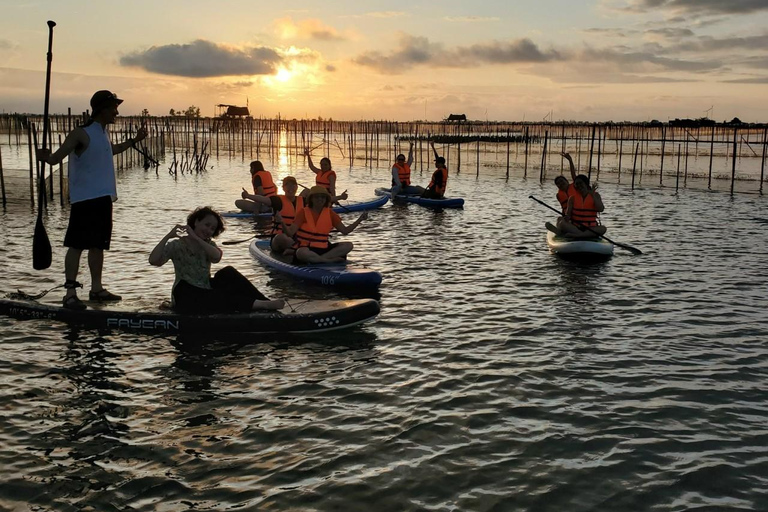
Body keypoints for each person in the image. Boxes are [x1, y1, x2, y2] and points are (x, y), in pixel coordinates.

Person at [37, 90, 147, 310]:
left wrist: (134, 141)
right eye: (113, 108)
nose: (117, 112)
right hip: (85, 199)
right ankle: (69, 293)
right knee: (77, 245)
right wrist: (45, 157)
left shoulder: (102, 133)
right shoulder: (81, 133)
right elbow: (56, 158)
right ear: (102, 110)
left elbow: (111, 151)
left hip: (104, 198)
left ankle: (96, 289)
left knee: (98, 246)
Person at [148, 206, 284, 314]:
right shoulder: (177, 245)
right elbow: (153, 261)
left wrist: (197, 239)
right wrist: (168, 236)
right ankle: (261, 305)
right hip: (185, 294)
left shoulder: (208, 245)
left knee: (227, 273)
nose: (208, 230)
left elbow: (217, 257)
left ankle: (264, 301)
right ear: (196, 222)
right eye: (206, 225)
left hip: (205, 289)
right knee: (218, 296)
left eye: (212, 229)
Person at [285, 186, 368, 264]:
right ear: (311, 199)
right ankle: (327, 261)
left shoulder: (330, 213)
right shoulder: (303, 212)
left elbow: (345, 231)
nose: (320, 199)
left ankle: (319, 259)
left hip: (324, 248)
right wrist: (281, 222)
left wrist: (360, 219)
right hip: (306, 248)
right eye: (317, 197)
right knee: (301, 252)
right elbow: (291, 232)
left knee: (348, 245)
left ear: (326, 199)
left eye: (323, 197)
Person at [238, 176, 304, 255]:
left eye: (293, 185)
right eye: (288, 185)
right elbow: (263, 199)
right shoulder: (278, 201)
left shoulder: (304, 201)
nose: (291, 188)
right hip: (279, 239)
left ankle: (297, 250)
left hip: (297, 237)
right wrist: (248, 196)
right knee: (282, 238)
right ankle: (296, 249)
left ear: (296, 187)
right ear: (283, 188)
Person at [558, 174, 606, 238]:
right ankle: (584, 235)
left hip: (591, 227)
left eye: (581, 183)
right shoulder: (572, 198)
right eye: (577, 184)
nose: (579, 186)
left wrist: (593, 195)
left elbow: (601, 209)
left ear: (586, 184)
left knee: (603, 228)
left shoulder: (596, 195)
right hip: (576, 227)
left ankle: (579, 236)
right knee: (562, 223)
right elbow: (568, 214)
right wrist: (567, 217)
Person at [547, 152, 579, 234]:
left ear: (567, 181)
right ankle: (560, 231)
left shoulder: (575, 187)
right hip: (568, 218)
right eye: (558, 183)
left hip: (577, 218)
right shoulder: (559, 195)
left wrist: (570, 160)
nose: (561, 184)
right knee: (559, 219)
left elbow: (574, 175)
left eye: (562, 181)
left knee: (561, 222)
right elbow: (563, 208)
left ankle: (563, 230)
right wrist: (564, 216)